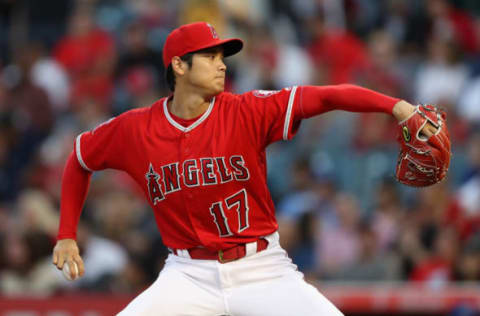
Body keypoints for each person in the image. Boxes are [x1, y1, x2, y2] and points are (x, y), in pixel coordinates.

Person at [52, 22, 438, 316]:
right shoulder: (135, 129)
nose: (222, 65)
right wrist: (67, 233)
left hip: (262, 267)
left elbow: (325, 96)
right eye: (210, 56)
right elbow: (79, 159)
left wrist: (396, 107)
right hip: (187, 274)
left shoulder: (247, 111)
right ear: (179, 65)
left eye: (223, 57)